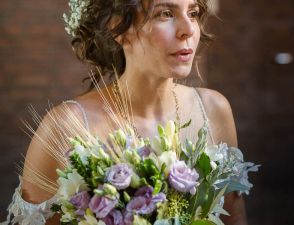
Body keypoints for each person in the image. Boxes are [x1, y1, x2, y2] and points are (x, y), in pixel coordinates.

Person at [2, 0, 255, 224]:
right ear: (118, 28)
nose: (188, 29)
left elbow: (234, 219)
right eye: (165, 13)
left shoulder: (214, 111)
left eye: (193, 12)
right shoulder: (66, 127)